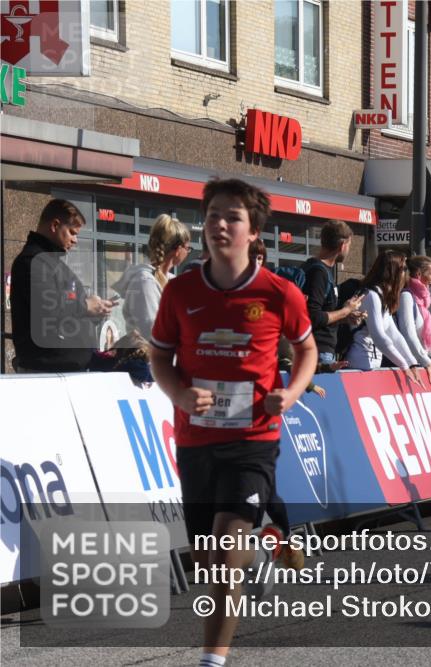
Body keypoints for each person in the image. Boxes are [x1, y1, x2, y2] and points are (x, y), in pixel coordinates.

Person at [149, 179, 318, 665]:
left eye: (233, 217)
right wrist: (180, 393)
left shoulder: (279, 293)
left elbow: (306, 349)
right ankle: (260, 551)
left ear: (254, 230)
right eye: (213, 216)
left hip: (253, 440)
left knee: (224, 550)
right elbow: (159, 357)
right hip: (196, 441)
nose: (220, 225)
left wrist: (291, 392)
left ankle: (212, 660)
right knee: (208, 563)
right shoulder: (180, 291)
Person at [11, 199, 115, 372]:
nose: (75, 240)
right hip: (47, 371)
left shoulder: (53, 264)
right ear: (55, 225)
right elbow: (48, 311)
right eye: (72, 233)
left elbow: (70, 312)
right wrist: (86, 306)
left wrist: (96, 311)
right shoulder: (32, 261)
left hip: (67, 368)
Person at [297, 220, 364, 369]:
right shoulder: (319, 272)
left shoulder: (319, 269)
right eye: (349, 245)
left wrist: (344, 318)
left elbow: (321, 314)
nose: (348, 250)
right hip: (318, 352)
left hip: (319, 351)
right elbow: (313, 317)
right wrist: (345, 310)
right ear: (343, 246)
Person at [347, 250, 422, 381]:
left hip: (372, 364)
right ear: (392, 271)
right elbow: (379, 336)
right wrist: (404, 366)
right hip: (360, 364)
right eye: (404, 269)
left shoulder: (381, 296)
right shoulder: (371, 295)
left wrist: (412, 363)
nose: (407, 274)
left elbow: (394, 335)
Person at [115, 214, 191, 340]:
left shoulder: (171, 280)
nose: (188, 252)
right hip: (147, 352)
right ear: (178, 250)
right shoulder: (145, 281)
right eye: (188, 248)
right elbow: (150, 330)